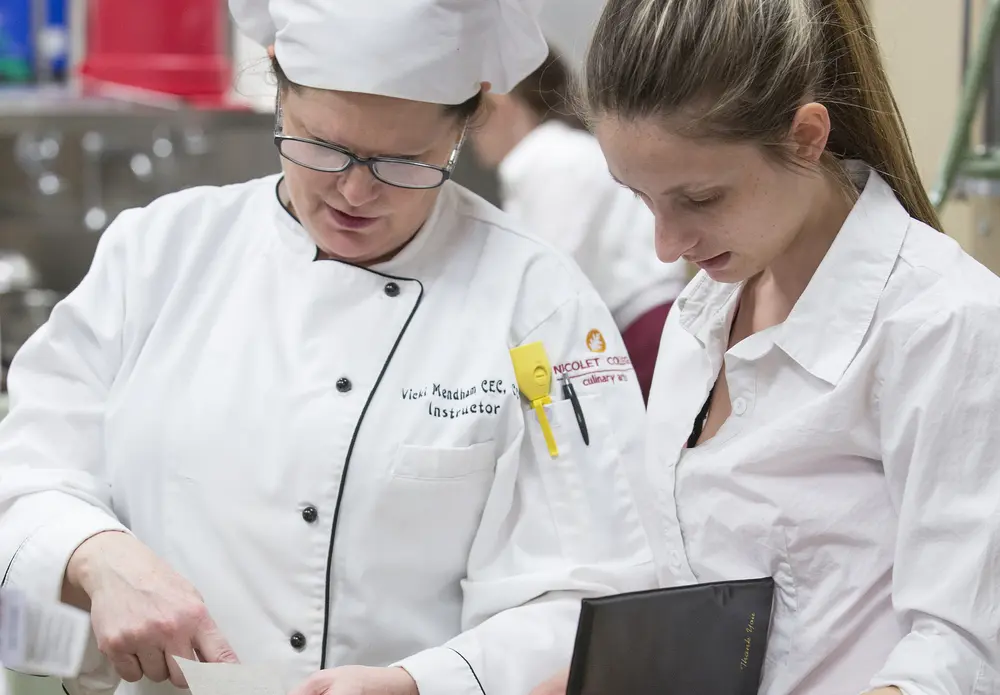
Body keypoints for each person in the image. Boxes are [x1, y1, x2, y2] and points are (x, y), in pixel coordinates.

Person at [0, 2, 658, 695]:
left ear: (467, 125)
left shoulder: (537, 303)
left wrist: (422, 682)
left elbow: (594, 592)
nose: (354, 190)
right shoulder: (160, 254)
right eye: (322, 145)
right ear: (279, 94)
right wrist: (98, 556)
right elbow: (22, 477)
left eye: (402, 162)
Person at [533, 0, 1000, 694]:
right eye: (642, 197)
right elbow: (694, 593)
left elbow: (963, 649)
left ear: (808, 136)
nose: (668, 244)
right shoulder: (703, 313)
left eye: (699, 197)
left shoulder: (943, 325)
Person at [469, 49, 688, 404]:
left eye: (473, 112)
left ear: (503, 103)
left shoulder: (549, 159)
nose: (468, 131)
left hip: (643, 334)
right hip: (642, 328)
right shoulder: (558, 154)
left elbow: (544, 278)